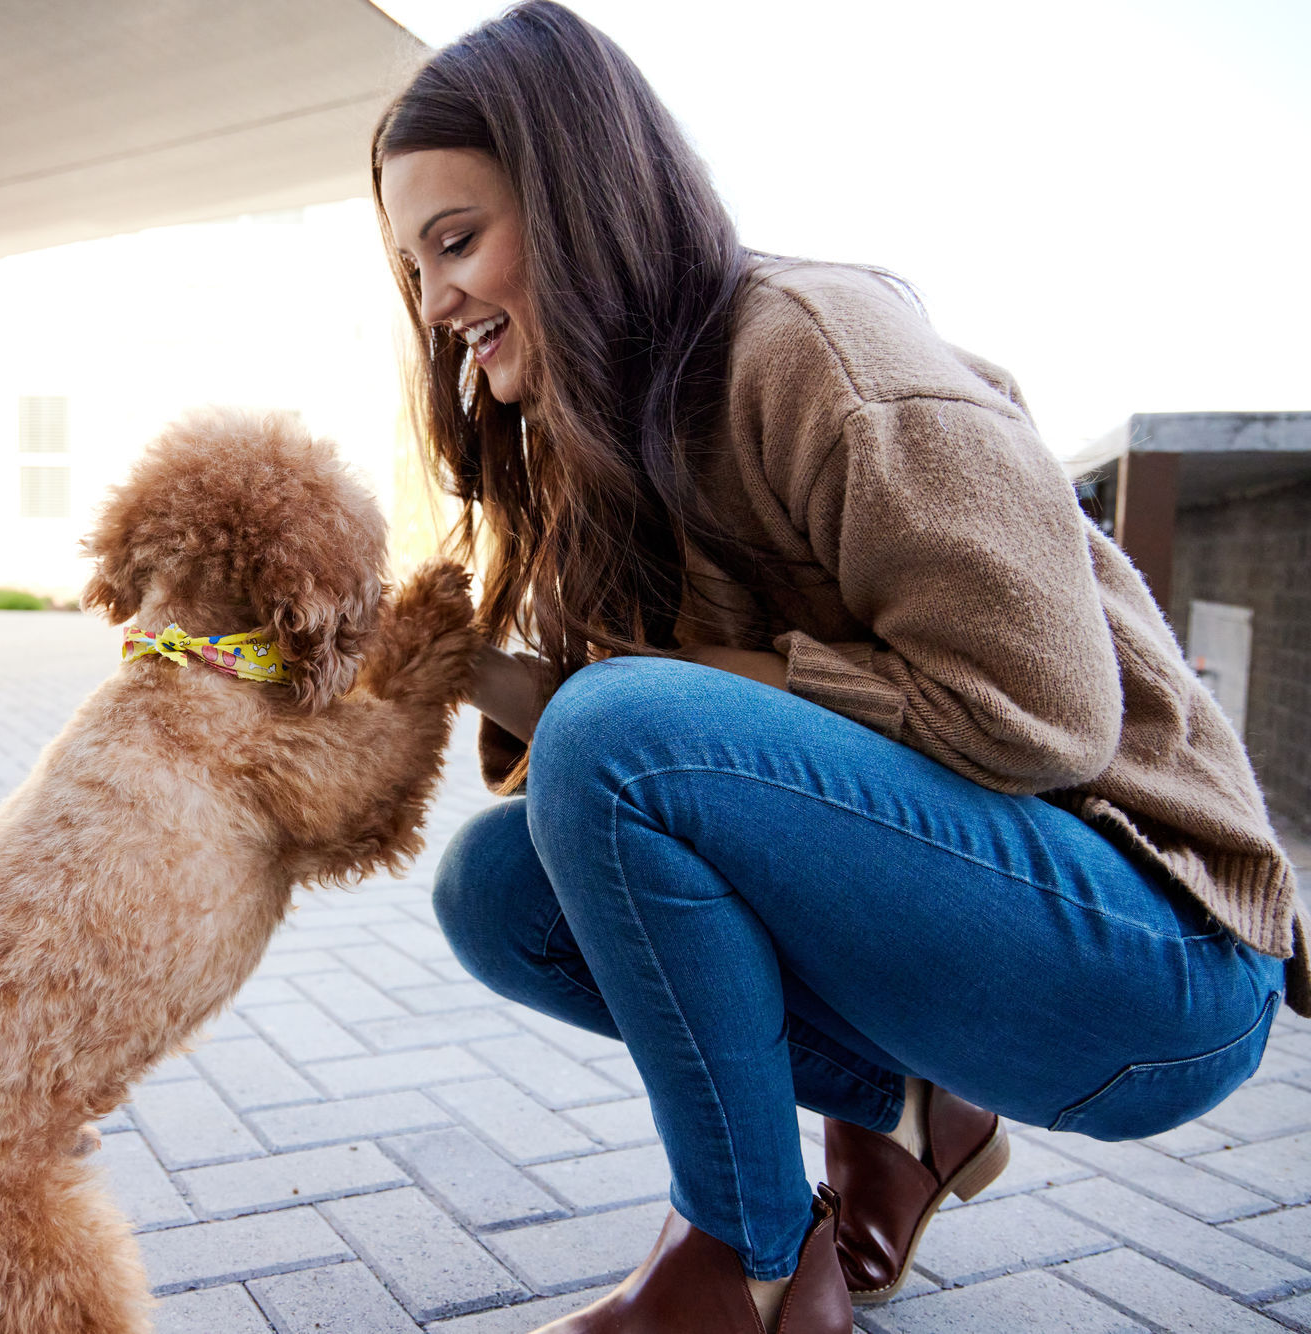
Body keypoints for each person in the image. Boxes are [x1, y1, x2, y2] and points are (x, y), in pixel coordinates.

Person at [371, 5, 1304, 1332]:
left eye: (458, 242)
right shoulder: (611, 445)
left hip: (1162, 951)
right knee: (499, 888)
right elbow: (644, 752)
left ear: (578, 201)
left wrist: (670, 693)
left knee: (615, 739)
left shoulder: (819, 348)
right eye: (413, 266)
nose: (435, 302)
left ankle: (748, 1267)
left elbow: (1042, 716)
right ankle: (915, 1111)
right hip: (995, 922)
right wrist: (449, 663)